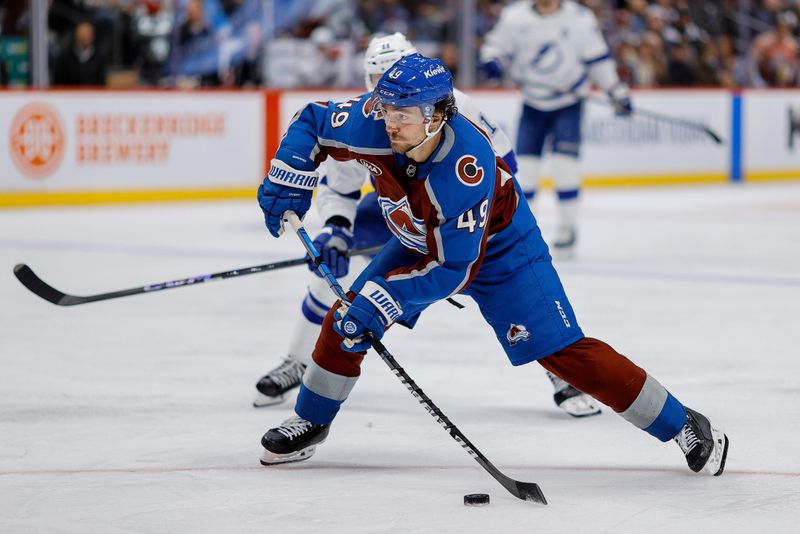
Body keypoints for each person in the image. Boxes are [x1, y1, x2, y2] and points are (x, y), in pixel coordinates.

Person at [255, 54, 729, 478]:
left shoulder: (466, 166)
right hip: (420, 235)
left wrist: (388, 300)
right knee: (346, 319)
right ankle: (311, 421)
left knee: (564, 353)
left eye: (404, 115)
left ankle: (681, 421)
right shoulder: (374, 121)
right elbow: (312, 121)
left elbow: (454, 269)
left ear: (438, 115)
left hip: (502, 251)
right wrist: (288, 174)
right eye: (387, 111)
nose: (390, 124)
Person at [253, 32, 601, 418]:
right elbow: (342, 185)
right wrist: (335, 230)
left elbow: (505, 167)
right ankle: (298, 361)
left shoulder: (457, 109)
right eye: (379, 79)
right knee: (327, 275)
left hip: (454, 211)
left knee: (506, 291)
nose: (388, 98)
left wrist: (463, 226)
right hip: (392, 211)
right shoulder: (365, 117)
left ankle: (556, 368)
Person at [479, 0, 633, 254]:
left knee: (565, 167)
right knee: (525, 170)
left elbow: (598, 60)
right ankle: (520, 228)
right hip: (533, 102)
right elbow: (496, 46)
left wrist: (617, 90)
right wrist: (491, 61)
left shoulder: (580, 18)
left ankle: (568, 228)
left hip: (569, 103)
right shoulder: (515, 16)